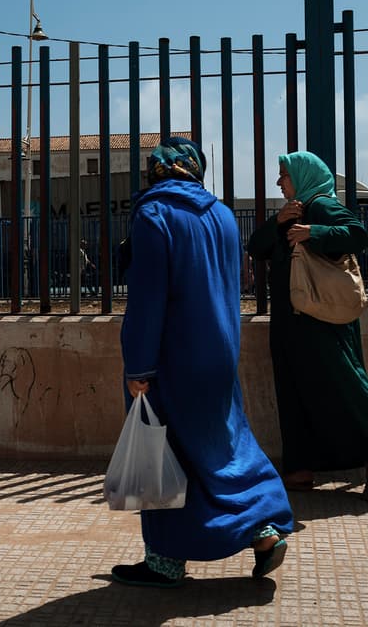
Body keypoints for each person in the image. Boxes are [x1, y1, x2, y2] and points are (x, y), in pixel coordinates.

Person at [112, 137, 294, 589]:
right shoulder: (223, 214)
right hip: (218, 353)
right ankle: (265, 528)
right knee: (226, 448)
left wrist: (139, 368)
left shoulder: (154, 214)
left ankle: (165, 563)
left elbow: (148, 302)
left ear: (159, 169)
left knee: (165, 457)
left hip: (170, 359)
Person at [247, 151, 368, 502]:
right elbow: (255, 246)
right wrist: (278, 222)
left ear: (302, 176)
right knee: (294, 392)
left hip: (321, 321)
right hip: (291, 322)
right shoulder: (293, 211)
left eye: (283, 174)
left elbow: (356, 234)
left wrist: (314, 231)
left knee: (348, 387)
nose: (278, 181)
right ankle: (300, 469)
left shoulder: (320, 206)